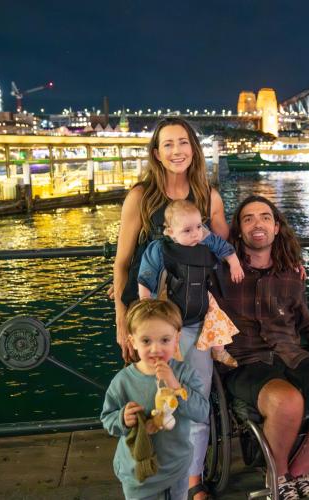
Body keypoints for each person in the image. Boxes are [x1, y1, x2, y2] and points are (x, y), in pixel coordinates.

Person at [215, 195, 309, 500]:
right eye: (248, 218)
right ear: (239, 231)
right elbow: (179, 245)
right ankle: (279, 477)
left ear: (277, 227)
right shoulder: (220, 271)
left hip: (293, 356)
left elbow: (306, 323)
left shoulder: (290, 274)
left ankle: (297, 473)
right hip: (245, 362)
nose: (258, 223)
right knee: (288, 401)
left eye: (265, 217)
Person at [110, 117, 229, 499]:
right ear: (157, 154)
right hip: (148, 321)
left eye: (183, 142)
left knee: (193, 400)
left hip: (193, 319)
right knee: (148, 402)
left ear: (193, 148)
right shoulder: (140, 197)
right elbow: (123, 263)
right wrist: (120, 318)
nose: (177, 151)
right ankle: (152, 475)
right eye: (168, 145)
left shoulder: (207, 195)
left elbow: (224, 247)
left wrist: (280, 254)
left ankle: (191, 485)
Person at [101, 299, 210, 500]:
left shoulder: (185, 374)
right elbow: (108, 419)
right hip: (138, 474)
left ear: (177, 339)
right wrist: (122, 419)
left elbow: (202, 412)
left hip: (177, 468)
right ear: (132, 340)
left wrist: (176, 386)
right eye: (146, 341)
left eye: (165, 340)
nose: (156, 349)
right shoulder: (123, 381)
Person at [138, 199, 243, 367]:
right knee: (163, 323)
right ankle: (171, 353)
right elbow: (147, 272)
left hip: (201, 294)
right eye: (187, 230)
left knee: (217, 316)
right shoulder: (159, 248)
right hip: (170, 296)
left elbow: (223, 246)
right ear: (171, 232)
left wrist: (234, 264)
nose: (196, 234)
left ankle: (219, 350)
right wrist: (145, 299)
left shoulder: (205, 240)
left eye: (199, 226)